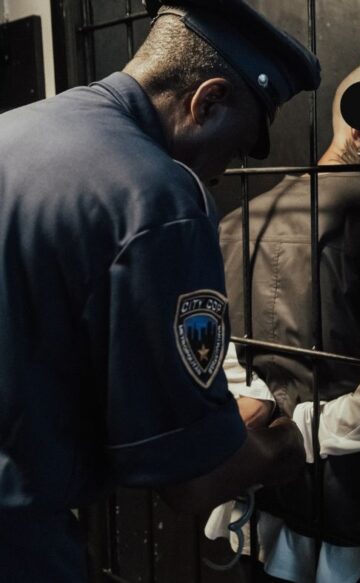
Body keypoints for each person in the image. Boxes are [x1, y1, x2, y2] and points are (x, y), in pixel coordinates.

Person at [0, 2, 320, 581]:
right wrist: (281, 448)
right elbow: (190, 480)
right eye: (237, 146)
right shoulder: (156, 197)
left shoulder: (15, 129)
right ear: (208, 102)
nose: (222, 172)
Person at [213, 60, 360, 582]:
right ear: (359, 130)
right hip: (351, 502)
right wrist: (310, 430)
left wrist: (270, 414)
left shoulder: (239, 220)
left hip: (256, 486)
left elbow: (217, 353)